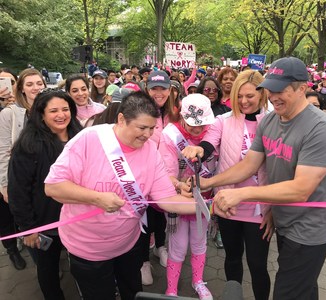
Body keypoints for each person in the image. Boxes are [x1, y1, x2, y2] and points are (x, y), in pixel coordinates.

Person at [184, 57, 326, 300]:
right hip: (284, 220)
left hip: (310, 227)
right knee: (305, 289)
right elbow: (249, 164)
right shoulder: (269, 120)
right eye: (271, 88)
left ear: (302, 88)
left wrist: (242, 193)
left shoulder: (321, 127)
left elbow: (301, 189)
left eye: (281, 89)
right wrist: (208, 183)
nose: (273, 95)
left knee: (286, 292)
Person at [44, 91, 197, 300]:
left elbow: (167, 199)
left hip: (127, 243)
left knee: (132, 292)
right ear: (122, 119)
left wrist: (210, 206)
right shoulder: (90, 139)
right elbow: (53, 187)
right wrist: (97, 198)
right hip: (88, 249)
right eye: (142, 128)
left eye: (152, 128)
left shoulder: (150, 149)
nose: (147, 135)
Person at [182, 70, 272, 300]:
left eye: (250, 96)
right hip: (227, 204)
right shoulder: (223, 120)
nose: (243, 101)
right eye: (239, 96)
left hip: (258, 207)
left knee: (258, 264)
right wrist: (198, 149)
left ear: (262, 94)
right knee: (232, 258)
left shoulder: (273, 122)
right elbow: (209, 143)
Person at [8, 88, 82, 299]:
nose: (61, 115)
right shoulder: (28, 145)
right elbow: (18, 190)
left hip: (79, 218)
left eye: (65, 109)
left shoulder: (81, 137)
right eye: (53, 111)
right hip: (45, 222)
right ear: (41, 114)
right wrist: (28, 228)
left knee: (82, 263)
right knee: (48, 268)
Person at [159, 94, 216, 300]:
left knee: (200, 242)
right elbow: (166, 171)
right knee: (178, 245)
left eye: (202, 125)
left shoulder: (214, 132)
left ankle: (198, 281)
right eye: (192, 124)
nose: (197, 129)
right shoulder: (170, 134)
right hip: (179, 200)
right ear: (182, 116)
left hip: (205, 199)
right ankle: (171, 288)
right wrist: (178, 185)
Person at [0, 68, 46, 267]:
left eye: (38, 83)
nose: (35, 88)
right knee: (19, 217)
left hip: (42, 177)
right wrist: (4, 184)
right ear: (21, 88)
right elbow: (2, 151)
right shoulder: (10, 114)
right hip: (18, 176)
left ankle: (46, 258)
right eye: (29, 84)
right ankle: (15, 251)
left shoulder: (49, 107)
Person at [140, 70, 180, 285]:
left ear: (169, 89)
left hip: (170, 176)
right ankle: (144, 261)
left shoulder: (176, 112)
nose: (158, 92)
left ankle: (160, 247)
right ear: (147, 89)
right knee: (146, 217)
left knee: (164, 215)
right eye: (154, 88)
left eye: (162, 88)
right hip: (145, 175)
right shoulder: (140, 111)